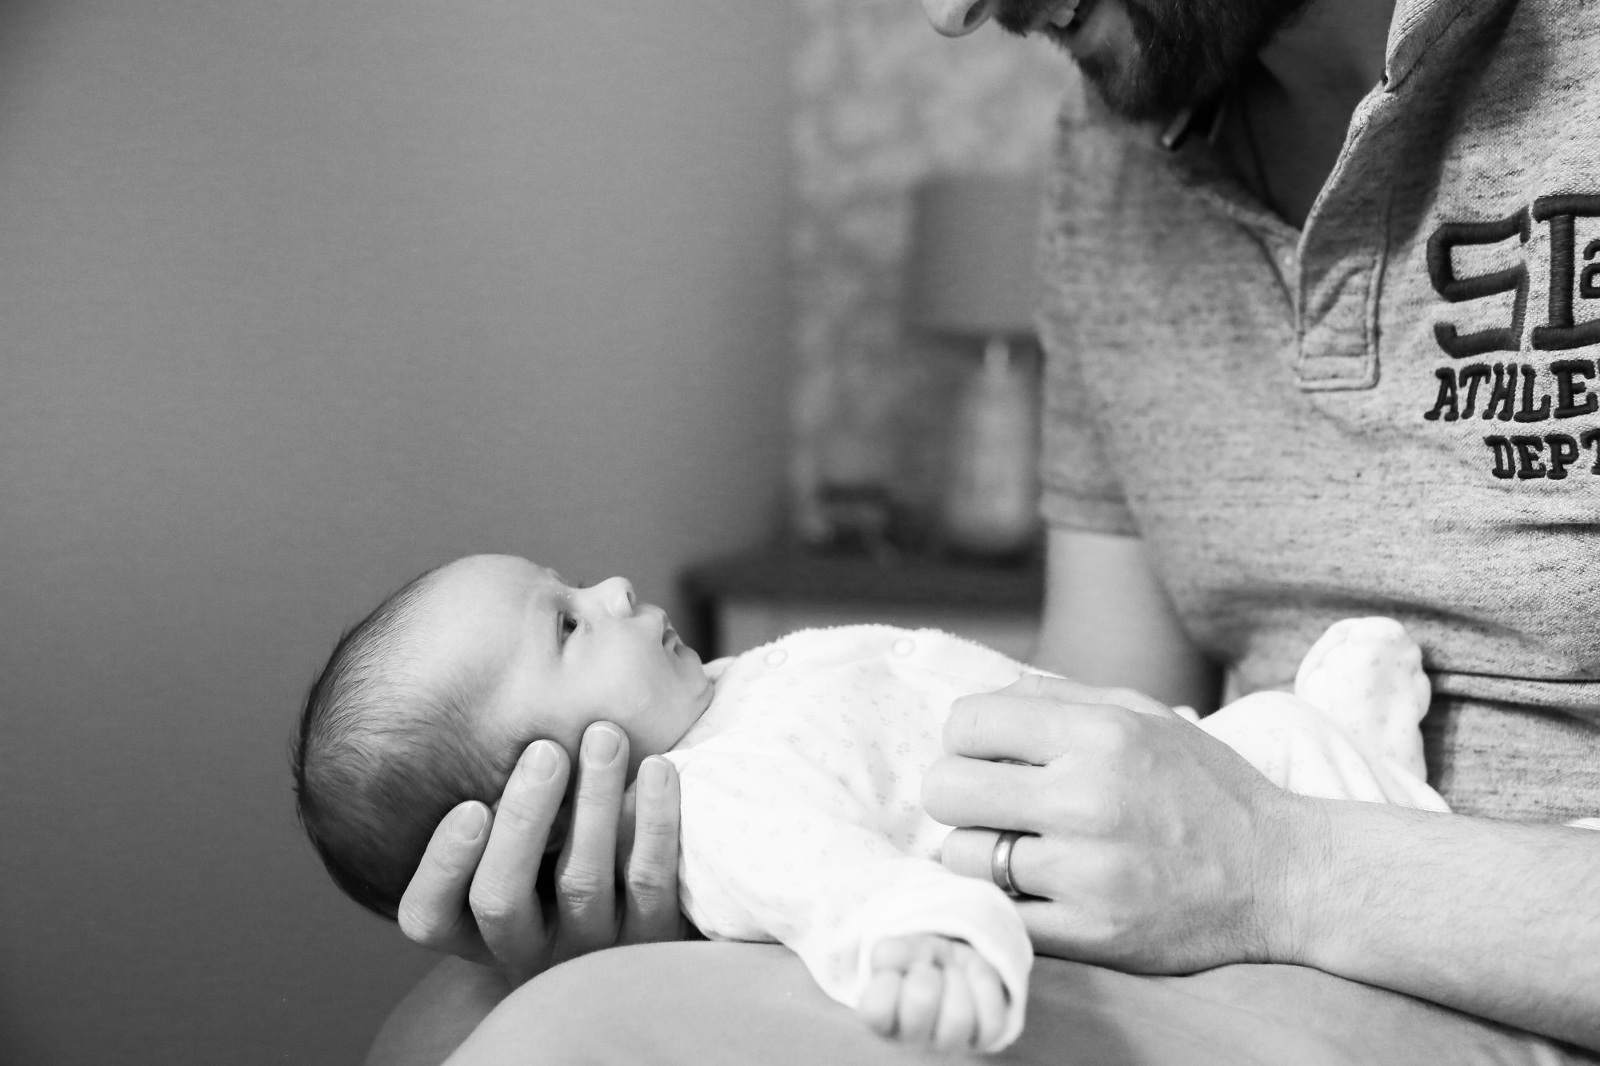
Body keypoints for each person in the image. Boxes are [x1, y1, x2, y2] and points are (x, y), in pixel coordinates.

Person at [369, 0, 1600, 1062]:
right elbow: (1096, 717)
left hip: (1490, 951)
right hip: (1233, 906)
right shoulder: (1110, 162)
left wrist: (1276, 868)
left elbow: (1221, 854)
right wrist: (723, 882)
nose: (949, 14)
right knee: (436, 1033)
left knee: (560, 1045)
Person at [299, 554, 1442, 1054]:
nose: (613, 589)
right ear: (553, 797)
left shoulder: (729, 698)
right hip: (1063, 841)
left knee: (1276, 738)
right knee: (437, 1037)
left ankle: (1346, 757)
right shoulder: (722, 798)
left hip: (1145, 760)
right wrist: (926, 940)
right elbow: (831, 885)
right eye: (566, 625)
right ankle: (1390, 800)